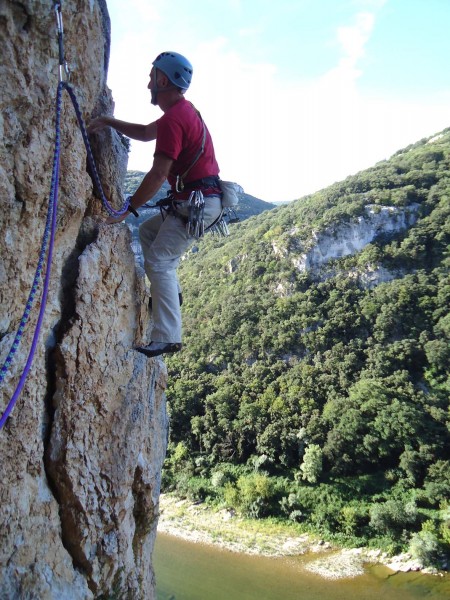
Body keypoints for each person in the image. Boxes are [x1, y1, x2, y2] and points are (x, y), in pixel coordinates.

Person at [88, 51, 222, 357]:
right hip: (200, 201)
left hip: (196, 204)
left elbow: (159, 172)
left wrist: (127, 208)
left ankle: (168, 336)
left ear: (162, 79)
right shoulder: (180, 114)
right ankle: (171, 293)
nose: (148, 83)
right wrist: (109, 121)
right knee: (148, 233)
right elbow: (148, 133)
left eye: (152, 77)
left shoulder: (176, 119)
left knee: (159, 262)